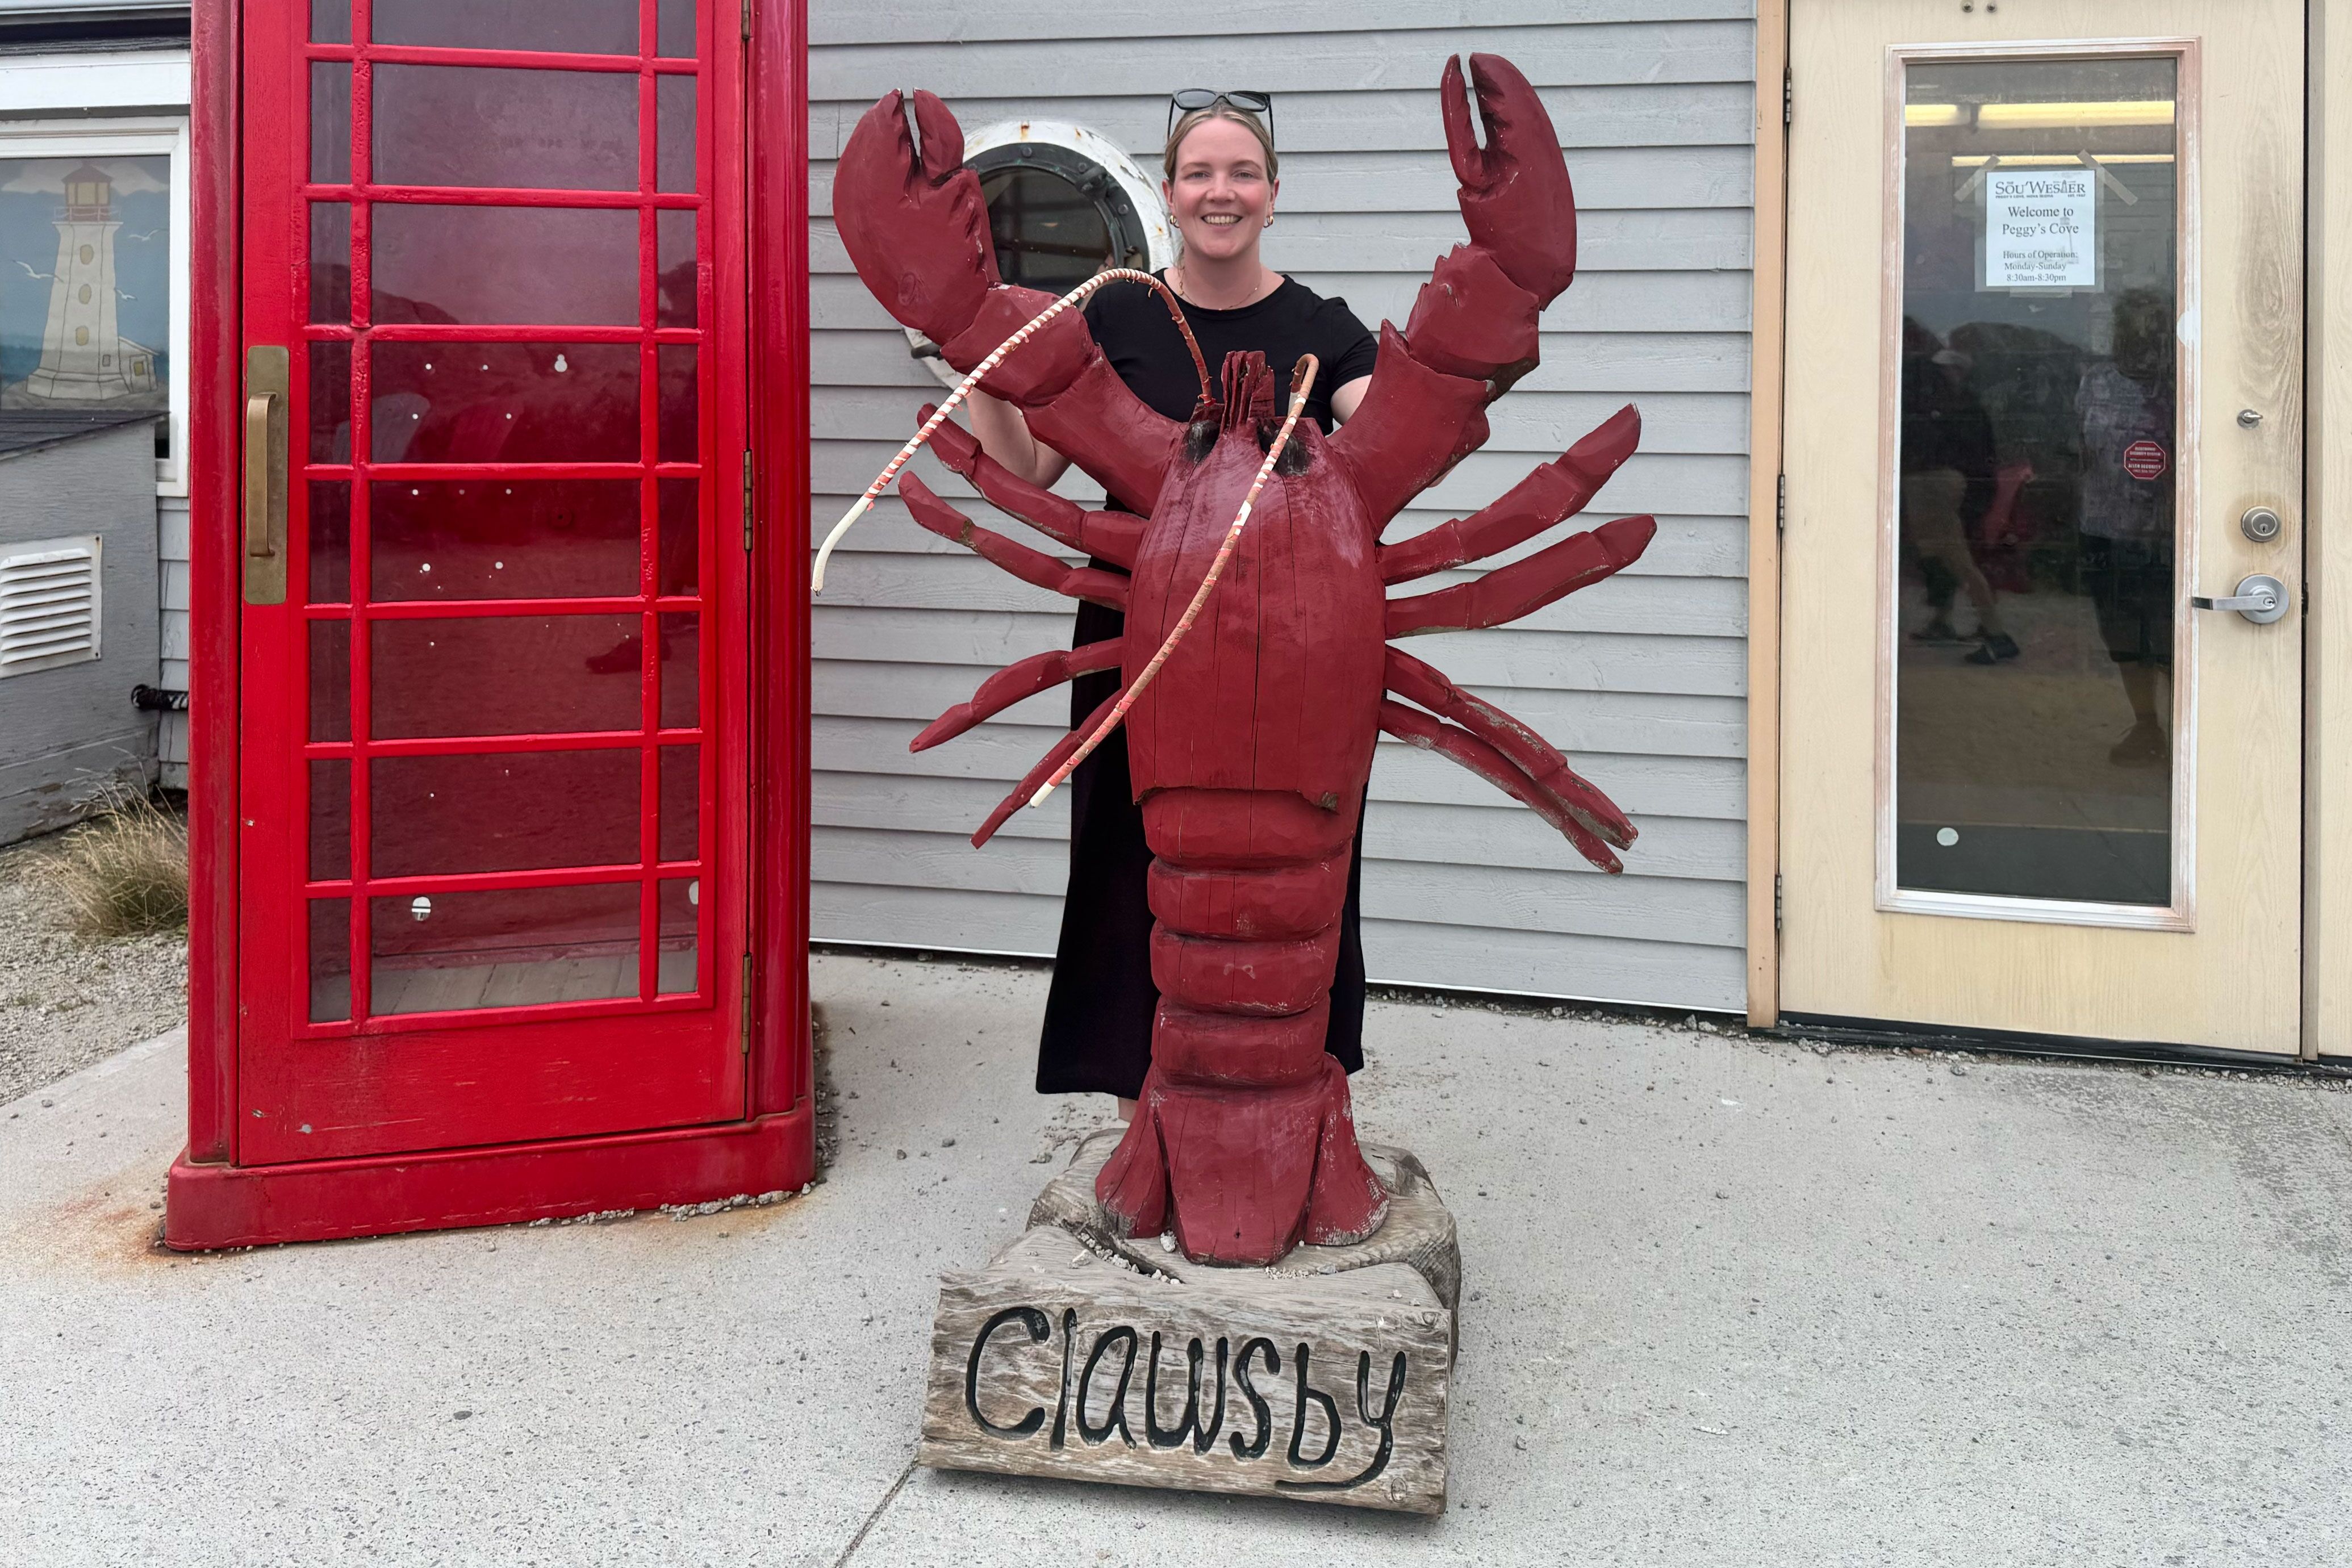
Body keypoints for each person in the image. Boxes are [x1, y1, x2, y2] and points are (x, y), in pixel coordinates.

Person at [962, 93, 1380, 1119]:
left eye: (1242, 173)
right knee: (1118, 861)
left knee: (1301, 853)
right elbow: (1032, 462)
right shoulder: (1116, 313)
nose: (1220, 192)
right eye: (1199, 173)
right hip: (1133, 643)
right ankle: (1133, 1102)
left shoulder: (1323, 330)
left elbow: (1386, 457)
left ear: (1273, 197)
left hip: (1287, 658)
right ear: (1166, 192)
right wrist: (970, 347)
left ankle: (1288, 1084)